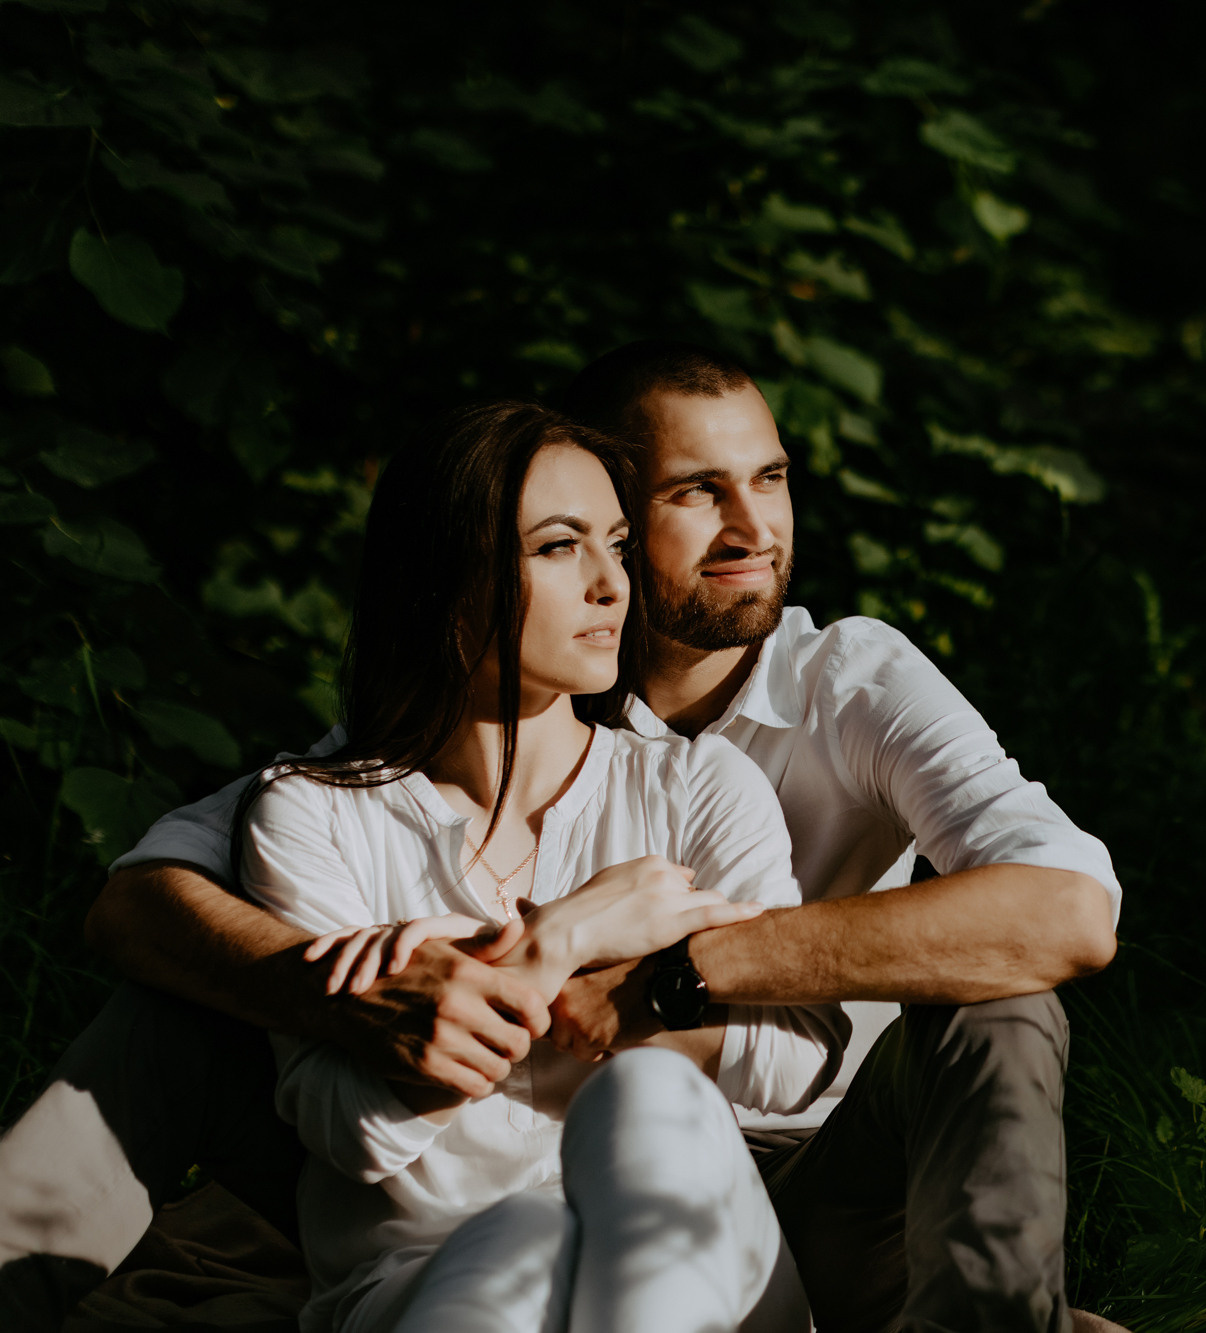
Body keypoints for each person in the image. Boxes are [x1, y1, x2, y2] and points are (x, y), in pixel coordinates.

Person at [0, 343, 1121, 1333]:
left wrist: (677, 972)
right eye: (695, 491)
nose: (752, 528)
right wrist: (337, 996)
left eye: (771, 478)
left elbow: (1064, 910)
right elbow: (139, 900)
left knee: (995, 1003)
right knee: (174, 1019)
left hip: (787, 1165)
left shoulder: (828, 693)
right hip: (457, 1186)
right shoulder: (421, 738)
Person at [243, 399, 842, 1331]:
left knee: (649, 1094)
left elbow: (794, 1054)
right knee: (511, 1241)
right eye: (561, 547)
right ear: (443, 582)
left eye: (616, 541)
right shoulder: (313, 814)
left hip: (695, 1261)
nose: (612, 584)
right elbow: (350, 1129)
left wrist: (504, 997)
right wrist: (564, 937)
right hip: (422, 1272)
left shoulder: (694, 785)